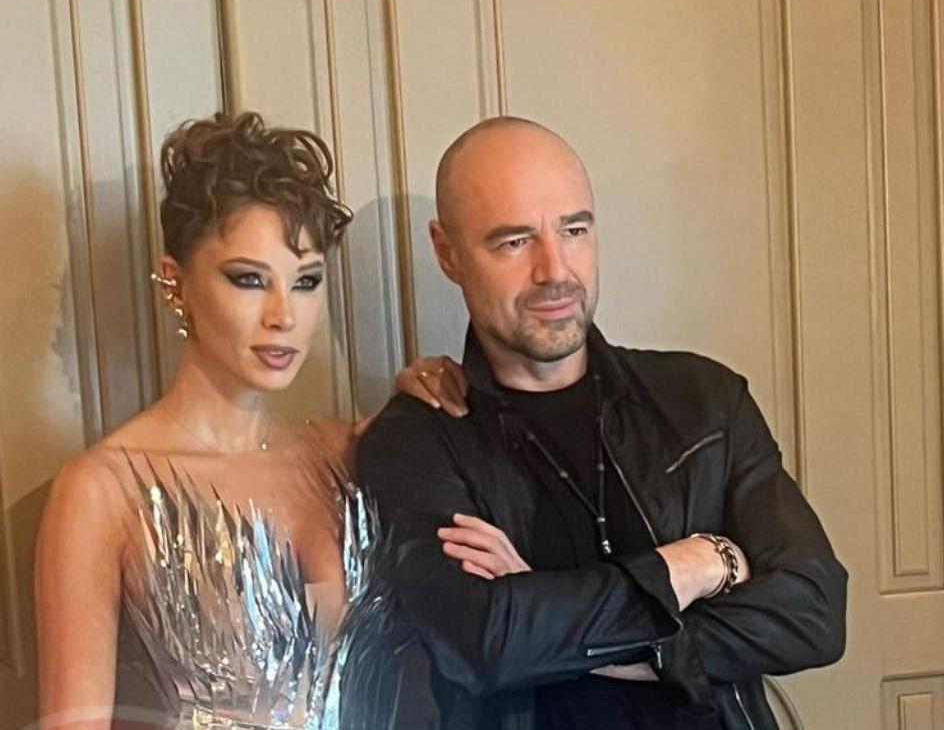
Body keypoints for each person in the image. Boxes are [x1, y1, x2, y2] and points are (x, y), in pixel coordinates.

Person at [356, 116, 848, 730]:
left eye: (574, 230)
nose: (554, 270)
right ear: (447, 252)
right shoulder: (416, 440)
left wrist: (556, 620)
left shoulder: (704, 400)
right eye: (514, 241)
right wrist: (695, 564)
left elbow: (814, 613)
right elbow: (486, 643)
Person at [35, 111, 475, 730]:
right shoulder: (104, 490)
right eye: (249, 279)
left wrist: (423, 398)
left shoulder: (350, 453)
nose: (283, 315)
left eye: (306, 281)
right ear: (174, 282)